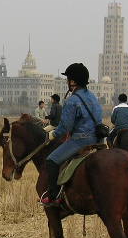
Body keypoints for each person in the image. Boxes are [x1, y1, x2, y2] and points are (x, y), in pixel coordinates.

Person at [40, 63, 103, 207]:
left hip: (80, 140)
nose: (67, 81)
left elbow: (65, 126)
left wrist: (53, 134)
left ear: (73, 81)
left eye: (68, 79)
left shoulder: (72, 100)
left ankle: (54, 196)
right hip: (98, 139)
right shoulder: (93, 97)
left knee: (51, 160)